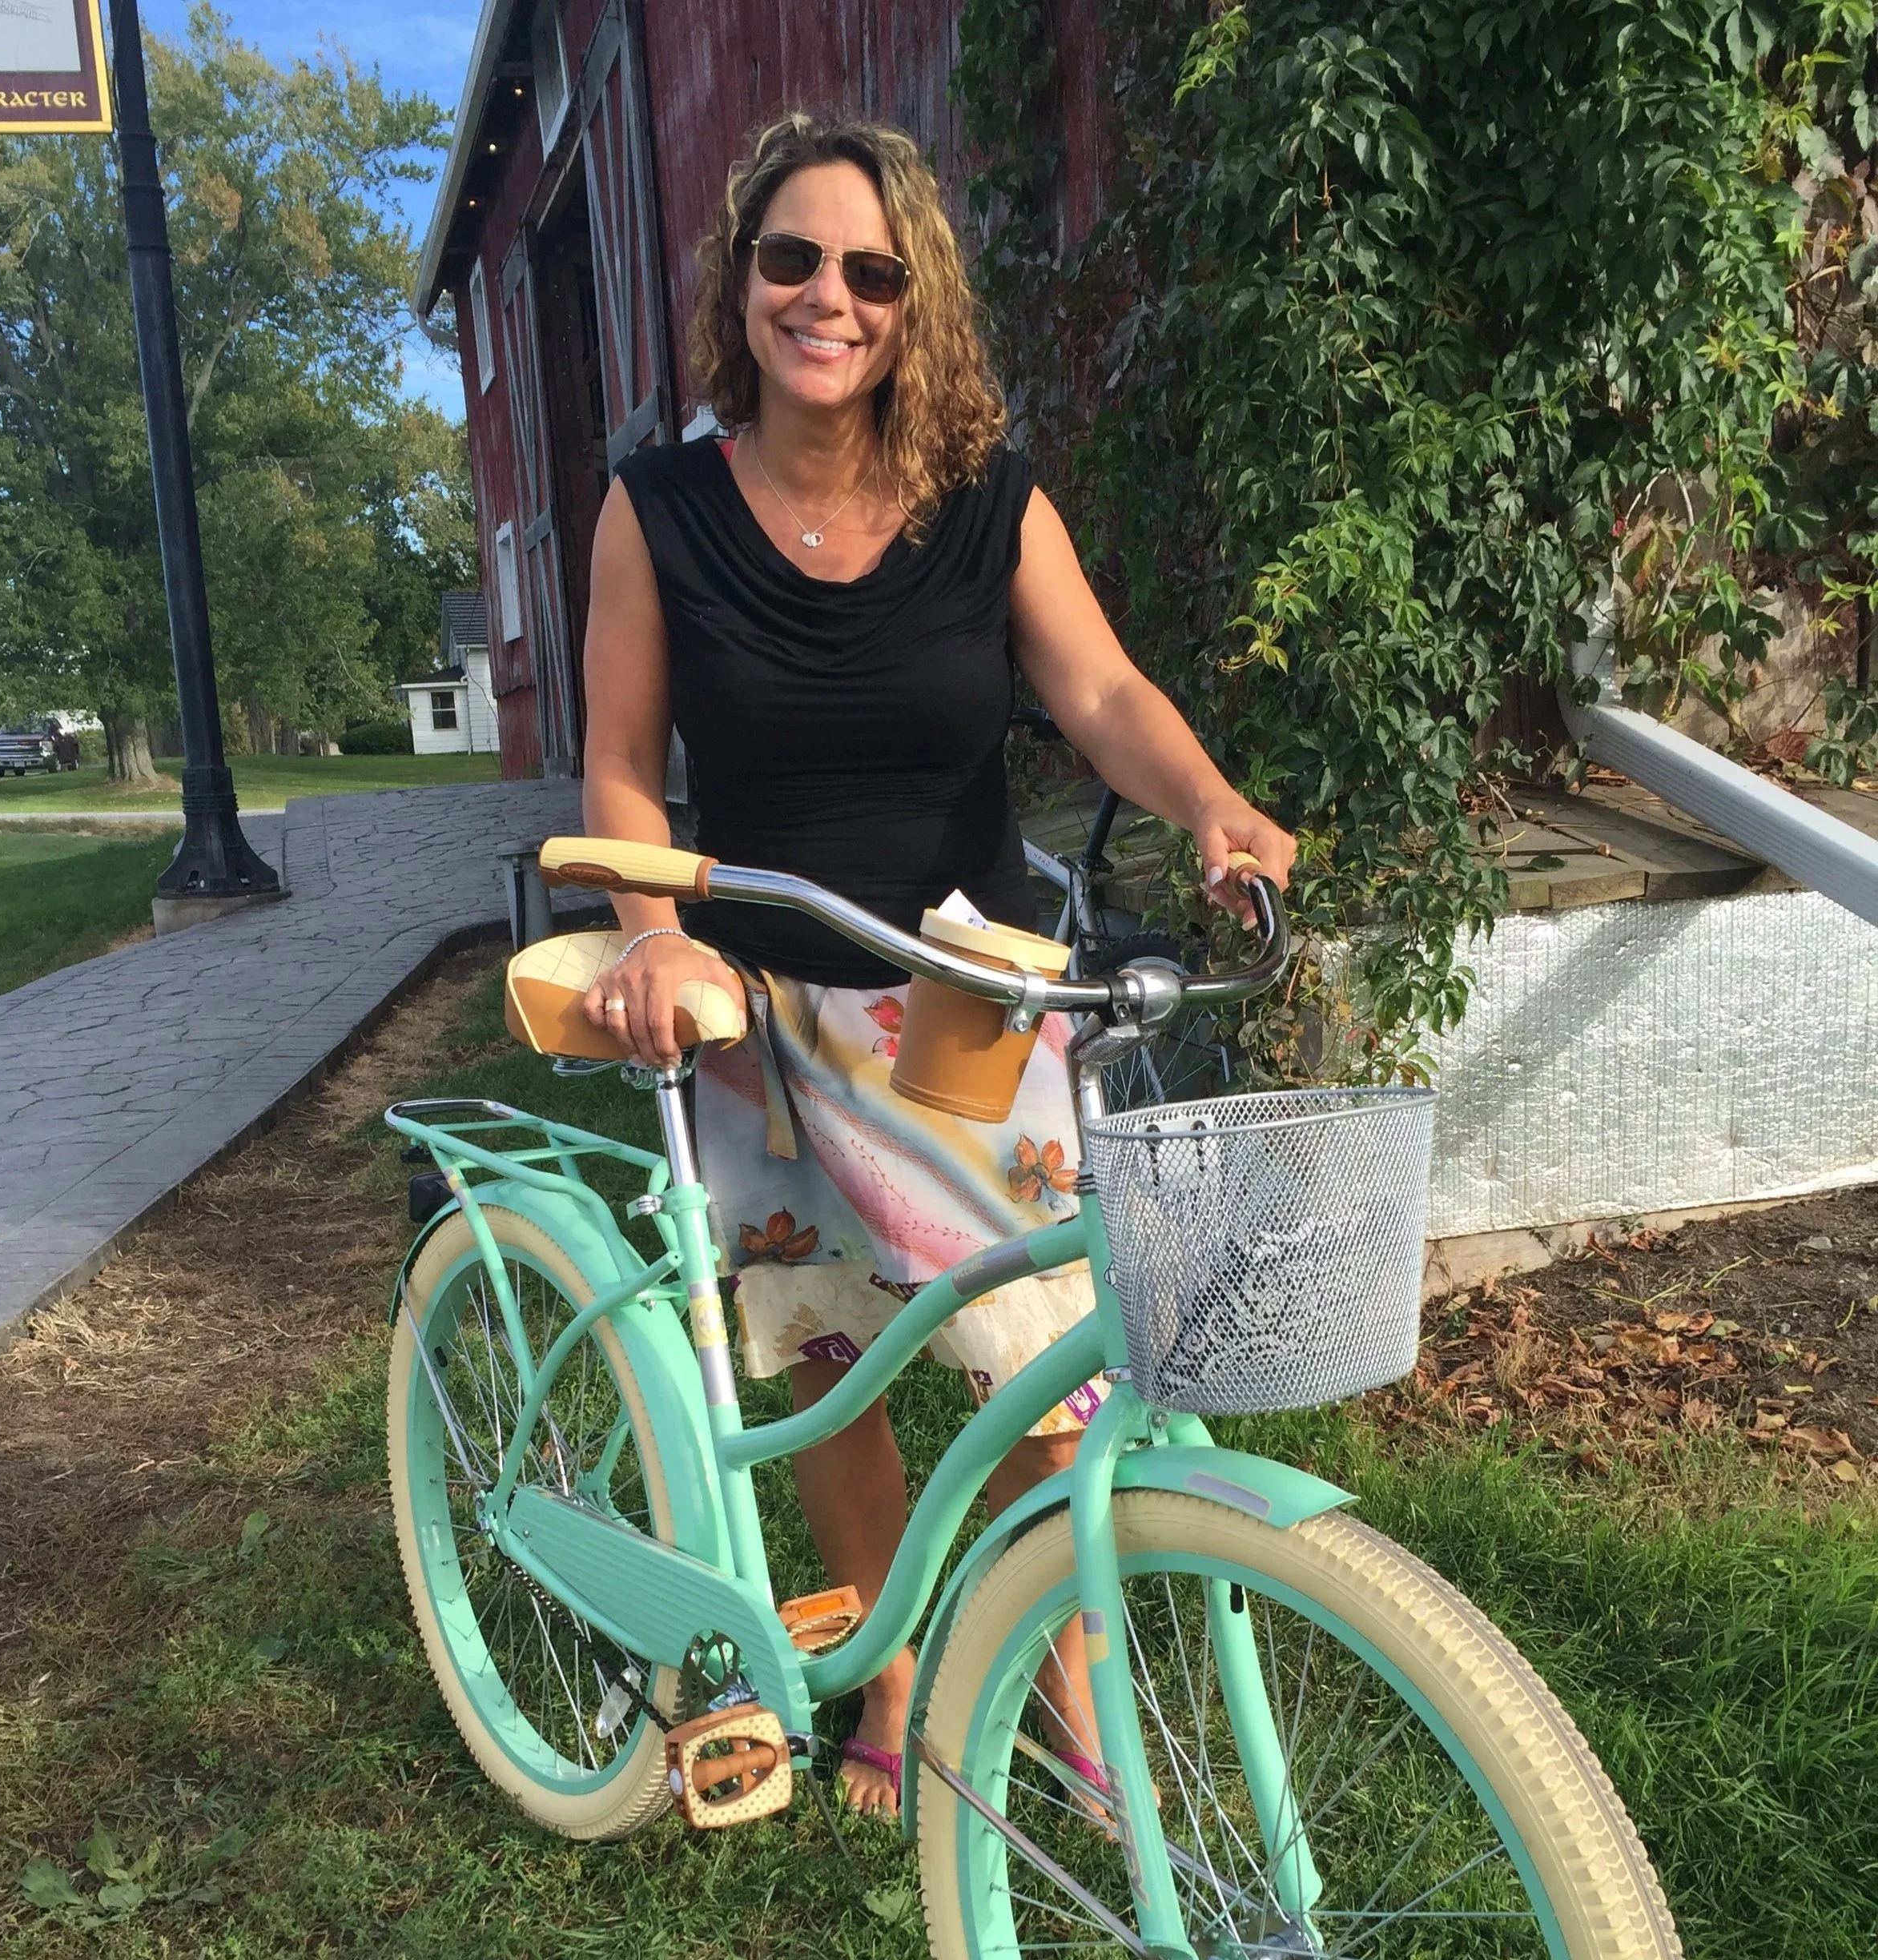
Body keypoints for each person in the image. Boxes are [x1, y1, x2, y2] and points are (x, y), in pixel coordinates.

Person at [577, 110, 1297, 1816]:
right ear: (739, 277)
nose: (827, 297)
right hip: (750, 993)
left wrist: (1213, 804)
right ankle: (887, 1680)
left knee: (1046, 1358)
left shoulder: (990, 504)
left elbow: (1105, 697)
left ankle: (1066, 1684)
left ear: (915, 306)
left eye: (871, 272)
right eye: (792, 259)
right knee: (830, 1354)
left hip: (963, 993)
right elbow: (617, 762)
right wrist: (655, 934)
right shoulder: (657, 511)